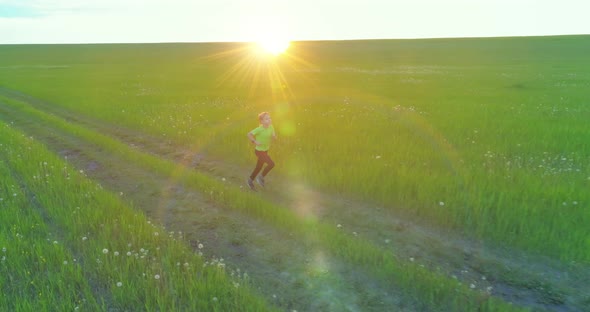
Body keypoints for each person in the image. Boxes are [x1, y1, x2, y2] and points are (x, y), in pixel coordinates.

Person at [247, 112, 276, 190]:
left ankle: (250, 180)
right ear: (261, 121)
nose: (269, 120)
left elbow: (273, 136)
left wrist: (274, 137)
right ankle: (260, 177)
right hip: (259, 151)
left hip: (265, 150)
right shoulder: (259, 129)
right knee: (271, 164)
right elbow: (249, 134)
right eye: (266, 119)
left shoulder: (271, 127)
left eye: (270, 118)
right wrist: (255, 141)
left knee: (258, 167)